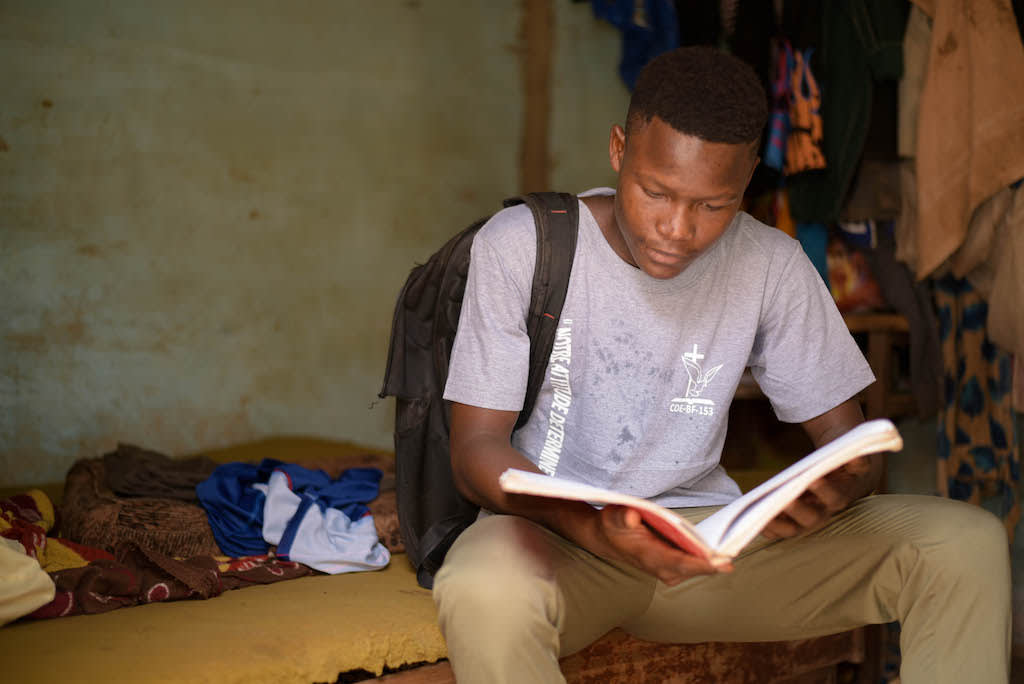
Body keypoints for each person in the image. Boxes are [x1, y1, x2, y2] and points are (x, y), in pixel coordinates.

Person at [434, 46, 1010, 683]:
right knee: (481, 588)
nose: (678, 229)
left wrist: (833, 489)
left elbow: (850, 444)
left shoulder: (771, 264)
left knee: (963, 543)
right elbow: (476, 449)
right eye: (656, 193)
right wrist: (594, 530)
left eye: (713, 206)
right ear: (619, 150)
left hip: (711, 553)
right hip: (564, 545)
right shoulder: (522, 246)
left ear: (745, 187)